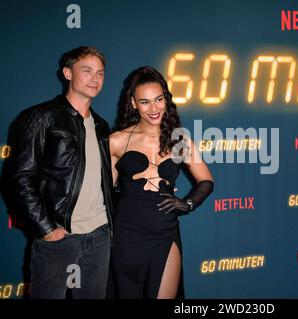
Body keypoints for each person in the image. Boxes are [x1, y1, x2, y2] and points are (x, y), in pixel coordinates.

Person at [7, 46, 114, 298]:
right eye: (87, 71)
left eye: (100, 73)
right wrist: (47, 229)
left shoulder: (101, 125)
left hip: (98, 236)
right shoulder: (41, 117)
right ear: (67, 73)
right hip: (59, 236)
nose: (95, 79)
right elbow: (21, 178)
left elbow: (104, 180)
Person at [109, 66, 214, 299]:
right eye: (145, 102)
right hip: (126, 234)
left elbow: (206, 181)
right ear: (133, 103)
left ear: (166, 99)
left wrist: (187, 203)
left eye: (159, 99)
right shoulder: (116, 141)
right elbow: (104, 195)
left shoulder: (180, 139)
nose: (154, 108)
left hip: (164, 232)